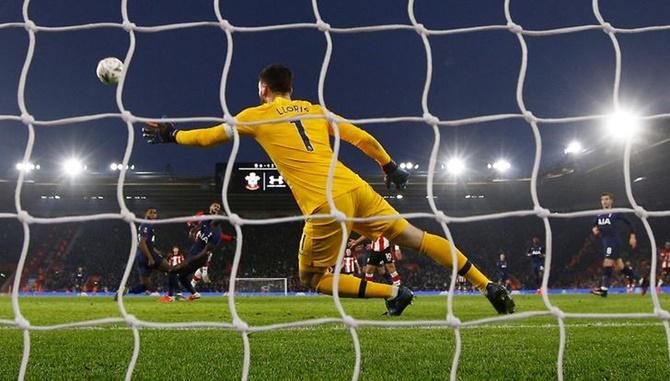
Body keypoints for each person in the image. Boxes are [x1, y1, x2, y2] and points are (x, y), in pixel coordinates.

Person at [143, 63, 514, 315]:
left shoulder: (254, 115)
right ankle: (488, 285)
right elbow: (361, 137)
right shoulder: (313, 109)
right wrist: (389, 166)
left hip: (325, 201)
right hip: (355, 185)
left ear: (263, 89)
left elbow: (208, 138)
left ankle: (394, 294)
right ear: (292, 89)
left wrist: (172, 134)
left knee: (312, 278)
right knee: (417, 237)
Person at [168, 202, 226, 301]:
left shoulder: (217, 234)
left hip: (199, 258)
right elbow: (199, 227)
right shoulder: (207, 220)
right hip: (193, 254)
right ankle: (195, 294)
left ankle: (171, 296)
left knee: (172, 270)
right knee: (182, 277)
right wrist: (193, 231)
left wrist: (192, 259)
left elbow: (206, 250)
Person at [590, 193, 640, 297]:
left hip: (613, 242)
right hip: (605, 243)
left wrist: (632, 235)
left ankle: (604, 290)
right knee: (620, 267)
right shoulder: (598, 214)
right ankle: (641, 280)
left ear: (611, 201)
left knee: (607, 263)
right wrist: (594, 228)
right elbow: (594, 225)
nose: (604, 201)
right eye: (602, 199)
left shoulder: (616, 213)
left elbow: (629, 223)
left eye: (607, 199)